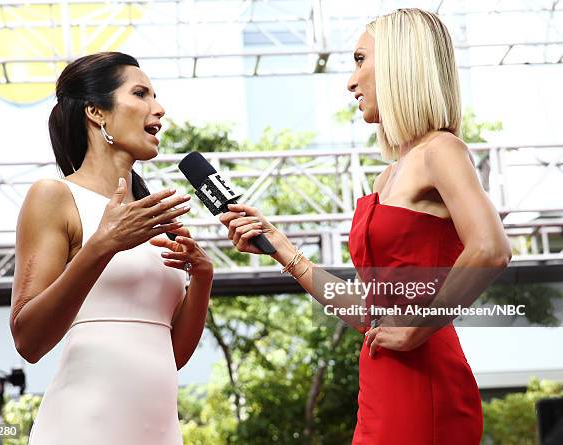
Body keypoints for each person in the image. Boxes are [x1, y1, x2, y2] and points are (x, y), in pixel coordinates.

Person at [219, 8, 511, 445]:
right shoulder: (387, 176)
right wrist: (281, 247)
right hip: (382, 375)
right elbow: (372, 313)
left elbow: (491, 249)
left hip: (424, 375)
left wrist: (417, 327)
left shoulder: (442, 150)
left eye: (360, 60)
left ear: (399, 64)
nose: (350, 81)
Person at [10, 52, 213, 444]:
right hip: (83, 426)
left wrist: (203, 279)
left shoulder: (150, 216)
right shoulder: (54, 196)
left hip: (158, 430)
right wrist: (104, 245)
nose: (159, 108)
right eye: (141, 94)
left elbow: (173, 357)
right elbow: (28, 340)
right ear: (96, 112)